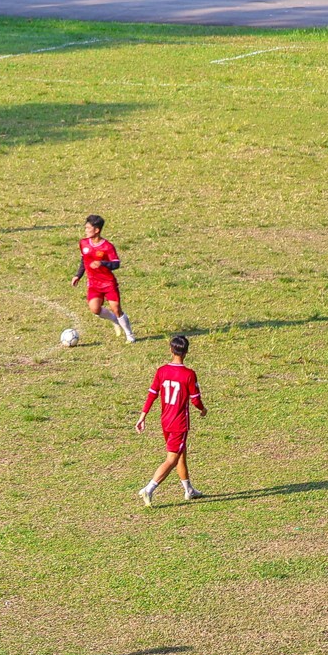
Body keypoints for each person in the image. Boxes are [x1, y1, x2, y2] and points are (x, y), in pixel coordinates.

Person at [136, 336, 207, 506]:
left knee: (181, 454)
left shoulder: (161, 371)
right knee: (172, 459)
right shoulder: (189, 374)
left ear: (171, 350)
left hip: (165, 421)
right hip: (179, 423)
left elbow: (152, 394)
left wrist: (142, 416)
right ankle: (149, 488)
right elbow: (195, 400)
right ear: (187, 352)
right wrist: (203, 409)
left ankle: (188, 490)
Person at [71, 214, 134, 342]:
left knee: (116, 308)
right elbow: (84, 259)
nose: (86, 230)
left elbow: (116, 263)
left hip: (108, 283)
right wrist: (78, 275)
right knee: (95, 309)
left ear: (97, 230)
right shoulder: (83, 243)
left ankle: (129, 334)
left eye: (88, 228)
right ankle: (114, 320)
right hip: (94, 283)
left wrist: (103, 263)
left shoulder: (107, 247)